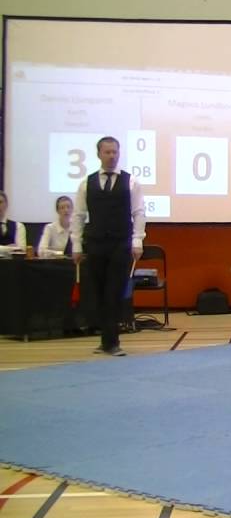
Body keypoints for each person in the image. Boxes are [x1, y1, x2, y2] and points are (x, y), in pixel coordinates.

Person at [71, 137, 146, 358]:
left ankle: (112, 342)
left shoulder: (131, 182)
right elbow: (79, 215)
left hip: (120, 243)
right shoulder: (87, 183)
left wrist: (137, 241)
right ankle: (105, 340)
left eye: (115, 152)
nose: (112, 156)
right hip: (95, 243)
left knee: (114, 291)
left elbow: (139, 213)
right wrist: (76, 244)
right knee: (98, 292)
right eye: (107, 152)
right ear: (99, 154)